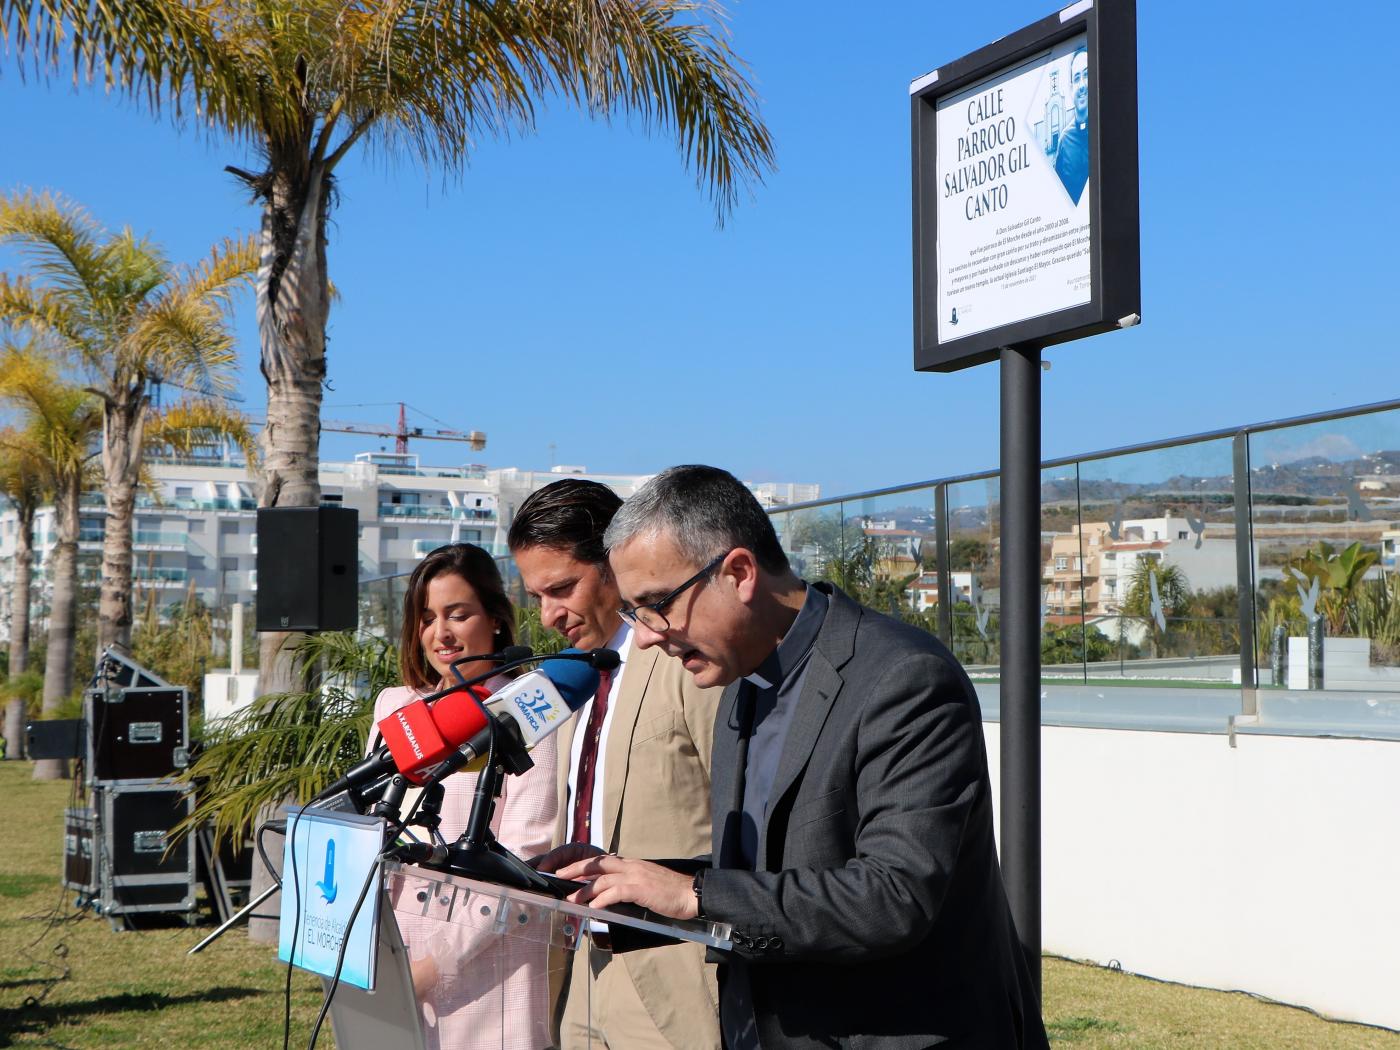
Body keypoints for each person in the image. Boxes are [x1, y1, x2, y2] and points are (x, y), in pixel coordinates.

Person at [557, 466, 1049, 1050]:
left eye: (655, 604)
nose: (644, 636)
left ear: (739, 573)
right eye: (634, 613)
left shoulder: (904, 678)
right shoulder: (740, 682)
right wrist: (627, 884)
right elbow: (774, 869)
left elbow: (894, 897)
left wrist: (694, 894)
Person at [508, 479, 723, 1050]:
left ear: (613, 564)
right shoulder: (567, 679)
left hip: (676, 980)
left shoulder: (686, 661)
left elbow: (744, 820)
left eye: (562, 588)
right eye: (536, 597)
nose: (549, 615)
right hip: (583, 967)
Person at [372, 543, 559, 1050]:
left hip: (489, 977)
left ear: (496, 619)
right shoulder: (395, 706)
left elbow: (523, 861)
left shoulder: (527, 712)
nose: (442, 633)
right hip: (390, 962)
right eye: (427, 618)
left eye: (458, 614)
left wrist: (432, 967)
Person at [1053, 47, 1089, 206]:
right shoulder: (1065, 140)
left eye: (1086, 75)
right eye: (1077, 78)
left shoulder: (1106, 132)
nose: (1082, 85)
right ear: (1071, 87)